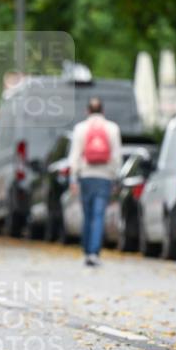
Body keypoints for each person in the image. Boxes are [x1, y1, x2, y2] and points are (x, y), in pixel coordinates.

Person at [68, 97, 122, 266]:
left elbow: (74, 156)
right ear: (103, 111)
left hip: (86, 176)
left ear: (87, 111)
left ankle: (86, 251)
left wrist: (73, 178)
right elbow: (116, 156)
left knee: (87, 214)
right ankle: (94, 253)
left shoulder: (80, 128)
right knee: (99, 215)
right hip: (104, 177)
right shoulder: (112, 128)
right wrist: (115, 178)